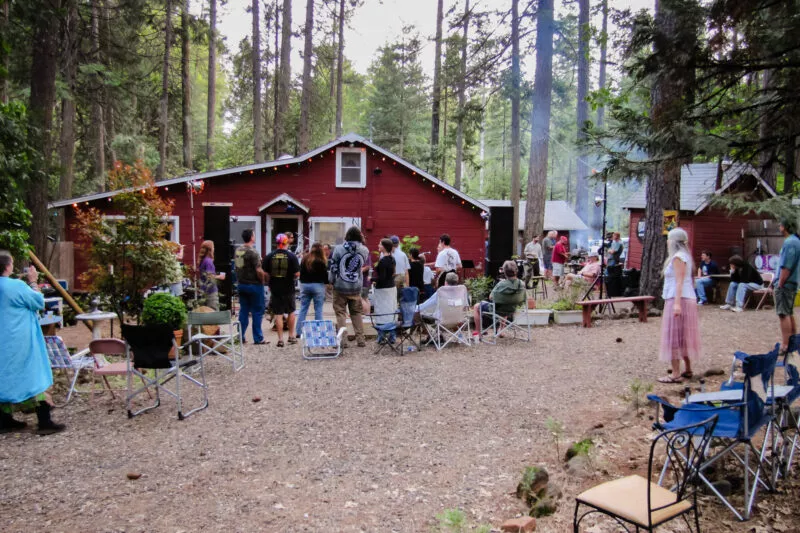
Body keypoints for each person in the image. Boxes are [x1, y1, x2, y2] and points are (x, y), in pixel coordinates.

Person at [0, 251, 65, 434]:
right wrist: (33, 281)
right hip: (19, 340)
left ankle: (4, 420)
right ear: (7, 266)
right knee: (34, 374)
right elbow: (38, 302)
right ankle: (44, 421)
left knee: (3, 377)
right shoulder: (16, 286)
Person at [658, 228, 701, 384]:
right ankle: (687, 369)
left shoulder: (678, 257)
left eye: (669, 240)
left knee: (674, 336)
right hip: (685, 297)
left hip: (678, 298)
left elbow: (679, 281)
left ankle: (675, 373)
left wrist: (676, 304)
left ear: (673, 242)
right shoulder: (685, 257)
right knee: (683, 335)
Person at [329, 226, 370, 348]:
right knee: (356, 313)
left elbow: (333, 267)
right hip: (356, 286)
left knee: (340, 313)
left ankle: (342, 341)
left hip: (340, 286)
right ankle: (361, 339)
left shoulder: (338, 249)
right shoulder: (364, 250)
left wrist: (331, 281)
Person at [472, 260, 526, 339]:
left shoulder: (501, 284)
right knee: (506, 303)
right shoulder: (521, 283)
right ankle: (501, 330)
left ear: (504, 272)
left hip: (498, 309)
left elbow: (491, 297)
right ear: (516, 271)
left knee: (477, 306)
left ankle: (479, 334)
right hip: (512, 308)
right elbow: (524, 297)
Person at [263, 233, 300, 347]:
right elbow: (297, 273)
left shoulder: (269, 256)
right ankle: (291, 336)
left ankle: (280, 339)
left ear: (276, 242)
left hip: (275, 288)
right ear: (286, 242)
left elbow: (265, 273)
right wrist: (292, 277)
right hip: (288, 287)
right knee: (291, 312)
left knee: (278, 314)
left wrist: (270, 282)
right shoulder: (292, 256)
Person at [234, 228, 266, 344]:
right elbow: (258, 269)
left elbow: (238, 267)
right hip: (254, 285)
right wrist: (263, 279)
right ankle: (258, 338)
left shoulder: (238, 251)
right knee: (257, 311)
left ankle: (240, 336)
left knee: (243, 310)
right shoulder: (254, 252)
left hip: (242, 284)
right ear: (252, 237)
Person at [776, 218, 800, 352]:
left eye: (780, 225)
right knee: (789, 312)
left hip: (786, 283)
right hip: (792, 282)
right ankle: (794, 341)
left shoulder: (790, 242)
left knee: (783, 314)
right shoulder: (796, 241)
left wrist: (780, 283)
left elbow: (786, 266)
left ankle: (786, 345)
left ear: (784, 227)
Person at [295, 242, 328, 340]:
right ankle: (319, 332)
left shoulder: (305, 259)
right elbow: (325, 277)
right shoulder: (321, 261)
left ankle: (298, 332)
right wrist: (327, 283)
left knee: (303, 308)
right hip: (318, 286)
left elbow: (301, 272)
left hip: (305, 285)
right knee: (318, 309)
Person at [372, 239, 397, 341]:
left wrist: (372, 279)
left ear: (384, 247)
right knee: (391, 310)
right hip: (391, 287)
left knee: (381, 311)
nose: (378, 245)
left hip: (382, 290)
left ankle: (381, 334)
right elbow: (392, 274)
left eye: (380, 244)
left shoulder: (382, 261)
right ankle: (392, 333)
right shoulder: (392, 259)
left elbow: (382, 278)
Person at [197, 240, 225, 310]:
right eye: (213, 247)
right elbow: (209, 276)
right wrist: (220, 276)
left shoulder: (203, 260)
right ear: (211, 249)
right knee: (213, 312)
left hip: (203, 290)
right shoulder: (208, 261)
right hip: (211, 291)